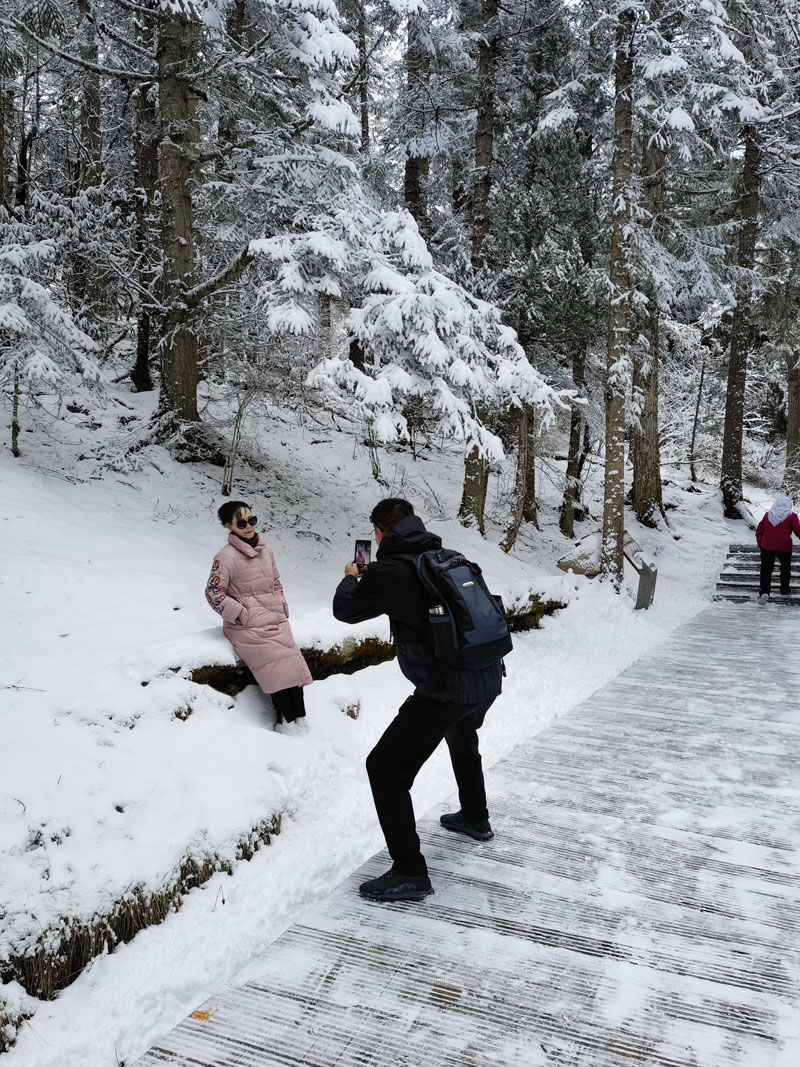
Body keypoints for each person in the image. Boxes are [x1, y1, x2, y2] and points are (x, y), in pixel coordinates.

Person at [332, 498, 503, 903]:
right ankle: (475, 818)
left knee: (385, 769)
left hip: (445, 688)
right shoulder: (448, 555)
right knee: (463, 735)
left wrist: (350, 577)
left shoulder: (390, 570)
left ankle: (410, 872)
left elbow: (345, 610)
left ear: (379, 532)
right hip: (488, 675)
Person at [205, 501, 311, 723]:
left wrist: (281, 605)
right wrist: (241, 613)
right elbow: (213, 593)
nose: (249, 526)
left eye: (251, 520)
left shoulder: (266, 552)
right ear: (228, 526)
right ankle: (286, 722)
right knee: (277, 668)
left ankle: (300, 719)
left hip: (275, 619)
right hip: (247, 626)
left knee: (292, 665)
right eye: (241, 522)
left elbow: (275, 582)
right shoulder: (225, 557)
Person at [755, 495, 800, 604]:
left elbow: (759, 531)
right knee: (785, 569)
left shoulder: (768, 515)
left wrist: (760, 543)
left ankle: (764, 592)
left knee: (766, 570)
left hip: (767, 546)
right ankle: (784, 590)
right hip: (784, 547)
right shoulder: (792, 516)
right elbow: (798, 530)